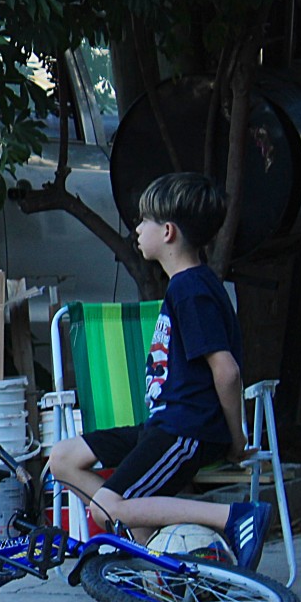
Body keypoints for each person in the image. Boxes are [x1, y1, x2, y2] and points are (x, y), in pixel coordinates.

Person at [47, 172, 270, 569]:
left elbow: (227, 371)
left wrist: (237, 438)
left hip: (187, 430)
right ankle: (147, 547)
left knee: (107, 508)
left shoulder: (192, 290)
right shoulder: (186, 287)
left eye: (143, 220)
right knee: (63, 458)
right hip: (164, 426)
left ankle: (232, 518)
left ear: (167, 232)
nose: (136, 228)